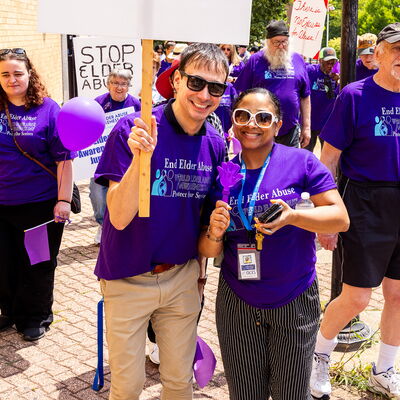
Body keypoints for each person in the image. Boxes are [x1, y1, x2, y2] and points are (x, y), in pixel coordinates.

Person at [94, 42, 228, 400]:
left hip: (181, 277)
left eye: (216, 88)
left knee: (179, 382)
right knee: (128, 387)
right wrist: (142, 159)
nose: (204, 95)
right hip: (126, 276)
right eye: (197, 83)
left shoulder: (215, 145)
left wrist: (201, 270)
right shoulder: (132, 130)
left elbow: (204, 225)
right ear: (178, 79)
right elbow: (118, 218)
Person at [199, 87, 349, 400]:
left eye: (263, 118)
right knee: (245, 395)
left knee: (291, 395)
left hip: (293, 297)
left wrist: (293, 216)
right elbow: (209, 250)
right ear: (233, 121)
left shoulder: (302, 163)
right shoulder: (223, 175)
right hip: (237, 300)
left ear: (278, 125)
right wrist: (214, 232)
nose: (251, 124)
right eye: (243, 115)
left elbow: (340, 218)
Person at [310, 23, 400, 400]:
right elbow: (328, 160)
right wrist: (327, 218)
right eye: (395, 50)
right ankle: (316, 360)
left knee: (398, 294)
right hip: (363, 202)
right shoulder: (355, 95)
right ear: (378, 53)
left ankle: (385, 368)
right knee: (358, 297)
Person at [0, 48, 75, 341]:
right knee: (4, 262)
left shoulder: (48, 110)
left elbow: (64, 159)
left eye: (18, 73)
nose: (12, 79)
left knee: (38, 262)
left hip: (40, 206)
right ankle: (9, 310)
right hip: (2, 205)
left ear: (30, 74)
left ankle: (37, 315)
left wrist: (64, 200)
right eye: (5, 74)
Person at [234, 20, 311, 148]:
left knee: (289, 167)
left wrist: (306, 127)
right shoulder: (255, 61)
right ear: (268, 42)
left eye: (284, 42)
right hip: (259, 130)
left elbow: (305, 96)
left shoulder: (298, 60)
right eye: (276, 42)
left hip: (290, 132)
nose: (281, 46)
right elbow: (242, 96)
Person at [90, 69, 141, 244]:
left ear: (128, 86)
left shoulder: (136, 105)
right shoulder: (98, 103)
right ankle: (102, 223)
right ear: (108, 84)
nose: (119, 87)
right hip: (99, 159)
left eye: (123, 83)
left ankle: (114, 229)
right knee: (97, 197)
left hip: (124, 159)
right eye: (115, 83)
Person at [305, 47, 340, 152]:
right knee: (307, 154)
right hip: (310, 121)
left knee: (327, 155)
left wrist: (339, 81)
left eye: (332, 62)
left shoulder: (337, 76)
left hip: (327, 123)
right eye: (327, 62)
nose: (330, 65)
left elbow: (343, 94)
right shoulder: (311, 71)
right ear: (320, 61)